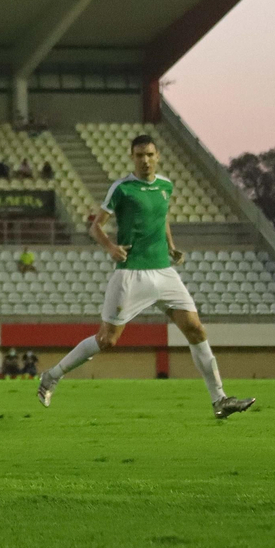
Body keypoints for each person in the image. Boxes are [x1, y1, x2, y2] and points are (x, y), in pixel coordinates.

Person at [37, 134, 255, 420]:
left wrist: (171, 246)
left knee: (195, 329)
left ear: (157, 156)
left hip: (164, 272)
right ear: (132, 157)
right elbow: (95, 227)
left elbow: (162, 217)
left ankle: (220, 399)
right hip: (131, 274)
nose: (145, 160)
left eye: (150, 155)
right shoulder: (122, 189)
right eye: (140, 155)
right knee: (107, 340)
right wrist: (111, 248)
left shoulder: (165, 186)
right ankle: (52, 376)